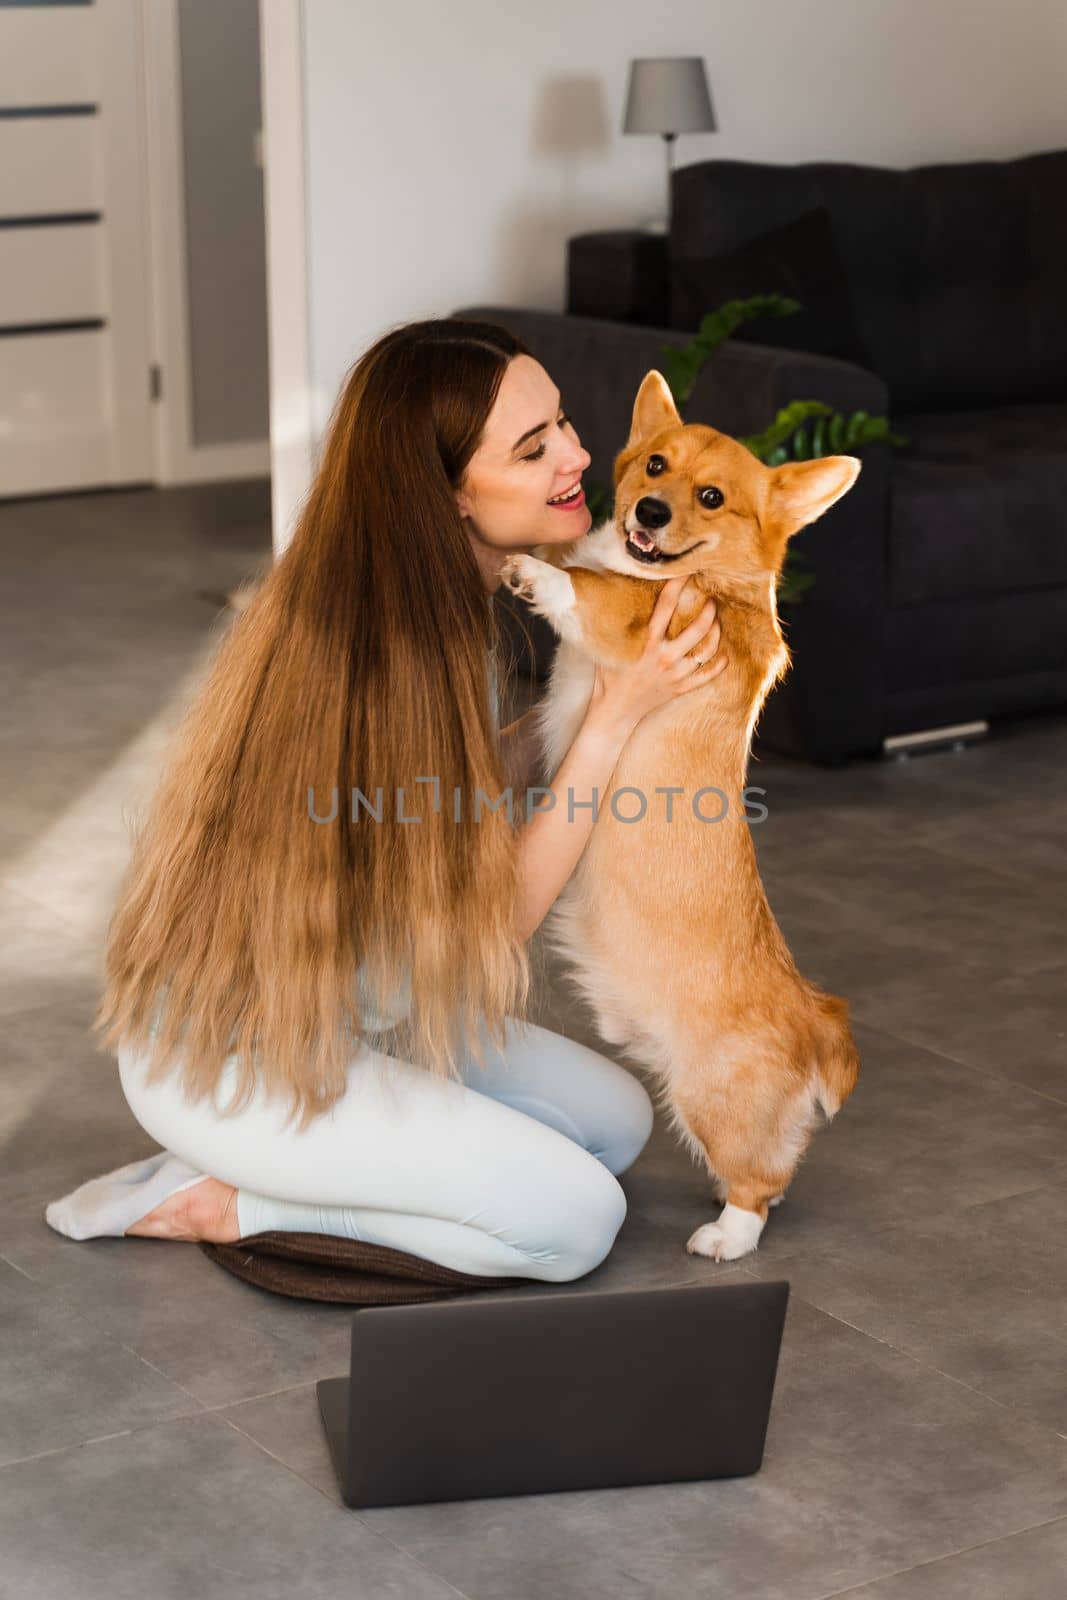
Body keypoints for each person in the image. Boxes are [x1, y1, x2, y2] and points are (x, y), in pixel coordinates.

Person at [45, 318, 725, 1283]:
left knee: (609, 1127)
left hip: (354, 1012)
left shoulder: (429, 607)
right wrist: (613, 716)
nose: (579, 455)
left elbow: (454, 786)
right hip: (242, 1056)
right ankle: (226, 1195)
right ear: (446, 492)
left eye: (564, 423)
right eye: (533, 448)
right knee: (573, 1225)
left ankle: (317, 1160)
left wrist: (599, 693)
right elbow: (495, 918)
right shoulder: (392, 653)